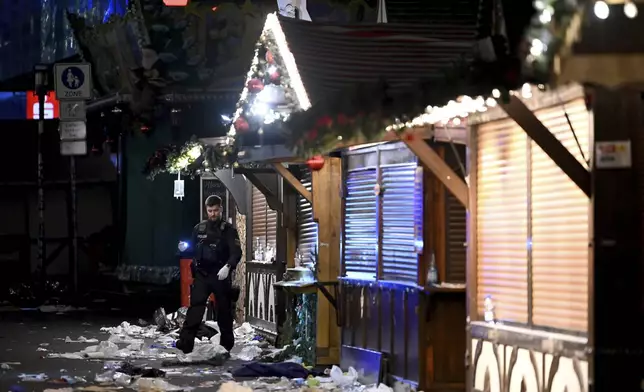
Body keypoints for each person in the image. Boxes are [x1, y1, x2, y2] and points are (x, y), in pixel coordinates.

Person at [176, 195, 242, 354]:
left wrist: (228, 266)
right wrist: (183, 249)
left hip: (220, 275)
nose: (213, 214)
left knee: (224, 311)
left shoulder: (228, 230)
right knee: (195, 309)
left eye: (216, 210)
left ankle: (226, 346)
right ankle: (185, 343)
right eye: (210, 211)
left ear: (221, 209)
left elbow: (236, 252)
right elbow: (193, 249)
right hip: (202, 275)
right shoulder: (199, 229)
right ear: (206, 210)